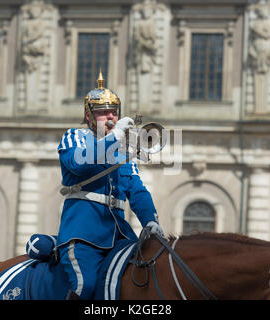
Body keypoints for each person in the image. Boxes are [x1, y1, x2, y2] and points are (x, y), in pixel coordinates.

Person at [56, 70, 164, 300]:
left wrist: (151, 220)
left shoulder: (123, 151)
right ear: (89, 116)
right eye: (102, 113)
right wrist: (113, 140)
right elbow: (80, 164)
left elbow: (136, 189)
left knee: (144, 278)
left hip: (119, 233)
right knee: (85, 286)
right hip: (83, 233)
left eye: (113, 112)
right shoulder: (74, 137)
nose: (111, 118)